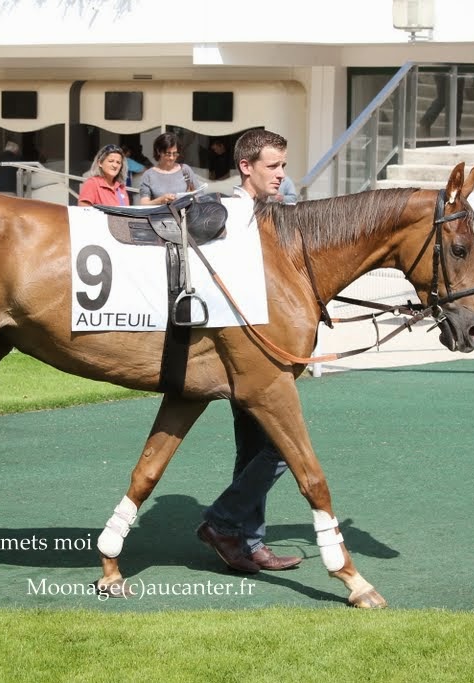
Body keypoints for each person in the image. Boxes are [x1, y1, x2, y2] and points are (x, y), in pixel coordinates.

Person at [196, 128, 302, 574]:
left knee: (254, 449)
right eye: (272, 166)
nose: (281, 175)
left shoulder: (273, 211)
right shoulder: (228, 213)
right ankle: (222, 522)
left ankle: (249, 542)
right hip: (239, 353)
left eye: (282, 166)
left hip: (262, 348)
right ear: (247, 167)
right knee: (280, 447)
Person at [136, 132, 200, 206]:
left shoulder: (185, 170)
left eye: (175, 153)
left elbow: (199, 195)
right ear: (158, 151)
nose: (172, 158)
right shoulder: (149, 175)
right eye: (168, 154)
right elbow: (144, 204)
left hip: (184, 216)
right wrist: (160, 200)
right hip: (159, 216)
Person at [419, 73, 465, 138]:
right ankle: (425, 122)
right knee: (444, 98)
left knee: (456, 101)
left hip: (456, 72)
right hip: (445, 71)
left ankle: (454, 130)